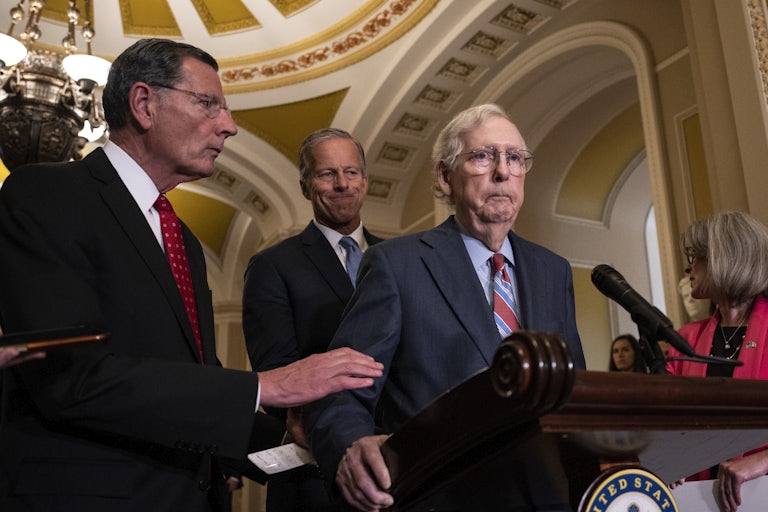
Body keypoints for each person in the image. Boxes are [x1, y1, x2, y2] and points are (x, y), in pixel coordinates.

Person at [0, 38, 384, 512]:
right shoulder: (46, 195)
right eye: (208, 104)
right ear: (144, 104)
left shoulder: (183, 240)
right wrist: (267, 386)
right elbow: (70, 380)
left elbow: (195, 384)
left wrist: (316, 445)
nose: (229, 126)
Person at [305, 103, 586, 511]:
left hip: (548, 498)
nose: (502, 172)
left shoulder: (553, 270)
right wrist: (352, 448)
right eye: (482, 156)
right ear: (444, 176)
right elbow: (341, 390)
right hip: (441, 495)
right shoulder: (397, 265)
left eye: (514, 158)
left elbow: (574, 390)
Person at [242, 128, 383, 511]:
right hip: (317, 475)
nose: (342, 184)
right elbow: (277, 373)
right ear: (306, 186)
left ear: (365, 182)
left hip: (397, 465)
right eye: (327, 174)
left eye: (351, 172)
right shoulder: (272, 266)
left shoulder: (400, 259)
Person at [667, 211, 768, 512]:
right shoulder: (681, 342)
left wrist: (761, 462)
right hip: (698, 501)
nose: (688, 267)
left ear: (727, 259)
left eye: (697, 257)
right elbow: (665, 424)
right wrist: (669, 456)